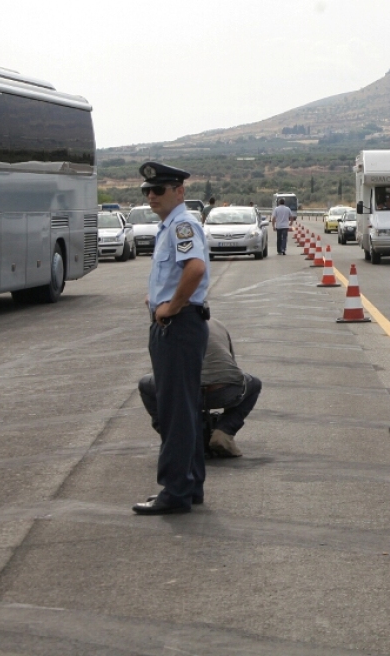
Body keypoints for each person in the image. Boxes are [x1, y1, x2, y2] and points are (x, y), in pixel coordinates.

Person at [134, 161, 210, 516]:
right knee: (186, 409)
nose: (151, 196)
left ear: (179, 191)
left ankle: (175, 491)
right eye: (147, 191)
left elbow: (195, 269)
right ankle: (190, 484)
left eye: (159, 189)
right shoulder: (171, 226)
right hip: (179, 326)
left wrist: (171, 307)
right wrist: (158, 299)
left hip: (177, 327)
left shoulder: (182, 224)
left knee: (175, 411)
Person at [138, 318, 262, 458]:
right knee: (254, 384)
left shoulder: (163, 328)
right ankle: (225, 431)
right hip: (223, 391)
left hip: (184, 393)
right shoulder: (217, 323)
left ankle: (176, 436)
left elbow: (160, 370)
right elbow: (231, 367)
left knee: (145, 385)